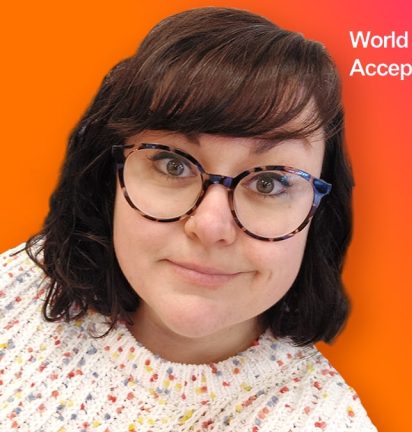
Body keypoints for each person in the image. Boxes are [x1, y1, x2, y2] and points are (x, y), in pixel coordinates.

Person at [0, 7, 376, 431]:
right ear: (110, 177)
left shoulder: (320, 421)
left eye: (270, 183)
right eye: (173, 165)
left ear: (317, 215)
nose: (210, 226)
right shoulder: (18, 282)